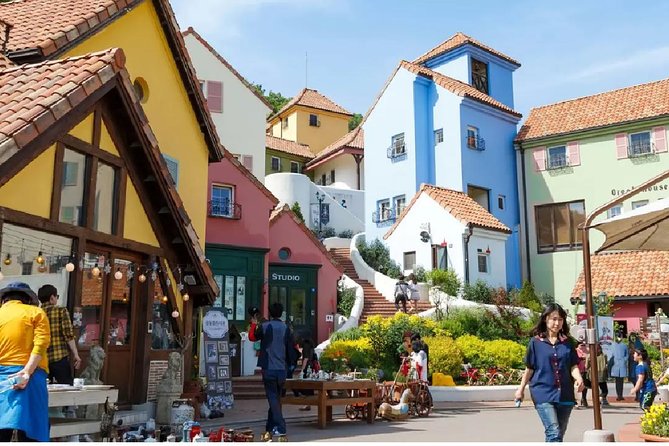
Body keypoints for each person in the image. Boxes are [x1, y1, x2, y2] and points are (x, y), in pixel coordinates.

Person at [514, 303, 584, 442]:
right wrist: (520, 389)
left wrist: (579, 378)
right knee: (553, 431)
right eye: (553, 319)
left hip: (565, 394)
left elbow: (572, 365)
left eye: (560, 319)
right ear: (545, 319)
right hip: (543, 392)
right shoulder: (535, 342)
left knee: (558, 433)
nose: (557, 323)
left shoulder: (567, 342)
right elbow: (530, 368)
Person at [0, 282, 51, 442]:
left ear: (4, 300)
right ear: (27, 299)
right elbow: (42, 342)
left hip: (2, 377)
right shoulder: (36, 312)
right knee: (32, 430)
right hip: (32, 375)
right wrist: (27, 372)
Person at [249, 302, 296, 442]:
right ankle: (269, 429)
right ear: (281, 313)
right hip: (282, 369)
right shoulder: (286, 328)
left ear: (269, 313)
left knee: (273, 399)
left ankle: (281, 429)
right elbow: (291, 348)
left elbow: (252, 337)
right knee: (275, 399)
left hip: (269, 368)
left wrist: (253, 323)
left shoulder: (264, 326)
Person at [37, 284, 81, 385]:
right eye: (57, 297)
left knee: (44, 390)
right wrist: (76, 354)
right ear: (52, 298)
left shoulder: (36, 313)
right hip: (59, 357)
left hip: (40, 359)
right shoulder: (61, 311)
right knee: (66, 389)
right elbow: (68, 334)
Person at [609, 333, 629, 401]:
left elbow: (627, 355)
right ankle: (618, 395)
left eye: (619, 336)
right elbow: (610, 356)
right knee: (617, 381)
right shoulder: (613, 345)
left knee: (621, 381)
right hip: (615, 365)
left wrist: (624, 360)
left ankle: (621, 395)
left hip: (622, 364)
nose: (619, 338)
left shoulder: (624, 345)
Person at [627, 333, 643, 402]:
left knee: (637, 381)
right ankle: (638, 396)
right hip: (633, 368)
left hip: (635, 367)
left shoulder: (637, 347)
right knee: (635, 382)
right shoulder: (633, 349)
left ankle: (638, 396)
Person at [575, 342, 588, 407]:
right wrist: (582, 358)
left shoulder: (586, 350)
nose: (583, 346)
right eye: (581, 345)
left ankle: (584, 398)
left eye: (584, 345)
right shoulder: (576, 350)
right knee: (577, 385)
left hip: (584, 369)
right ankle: (576, 400)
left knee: (584, 385)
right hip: (577, 369)